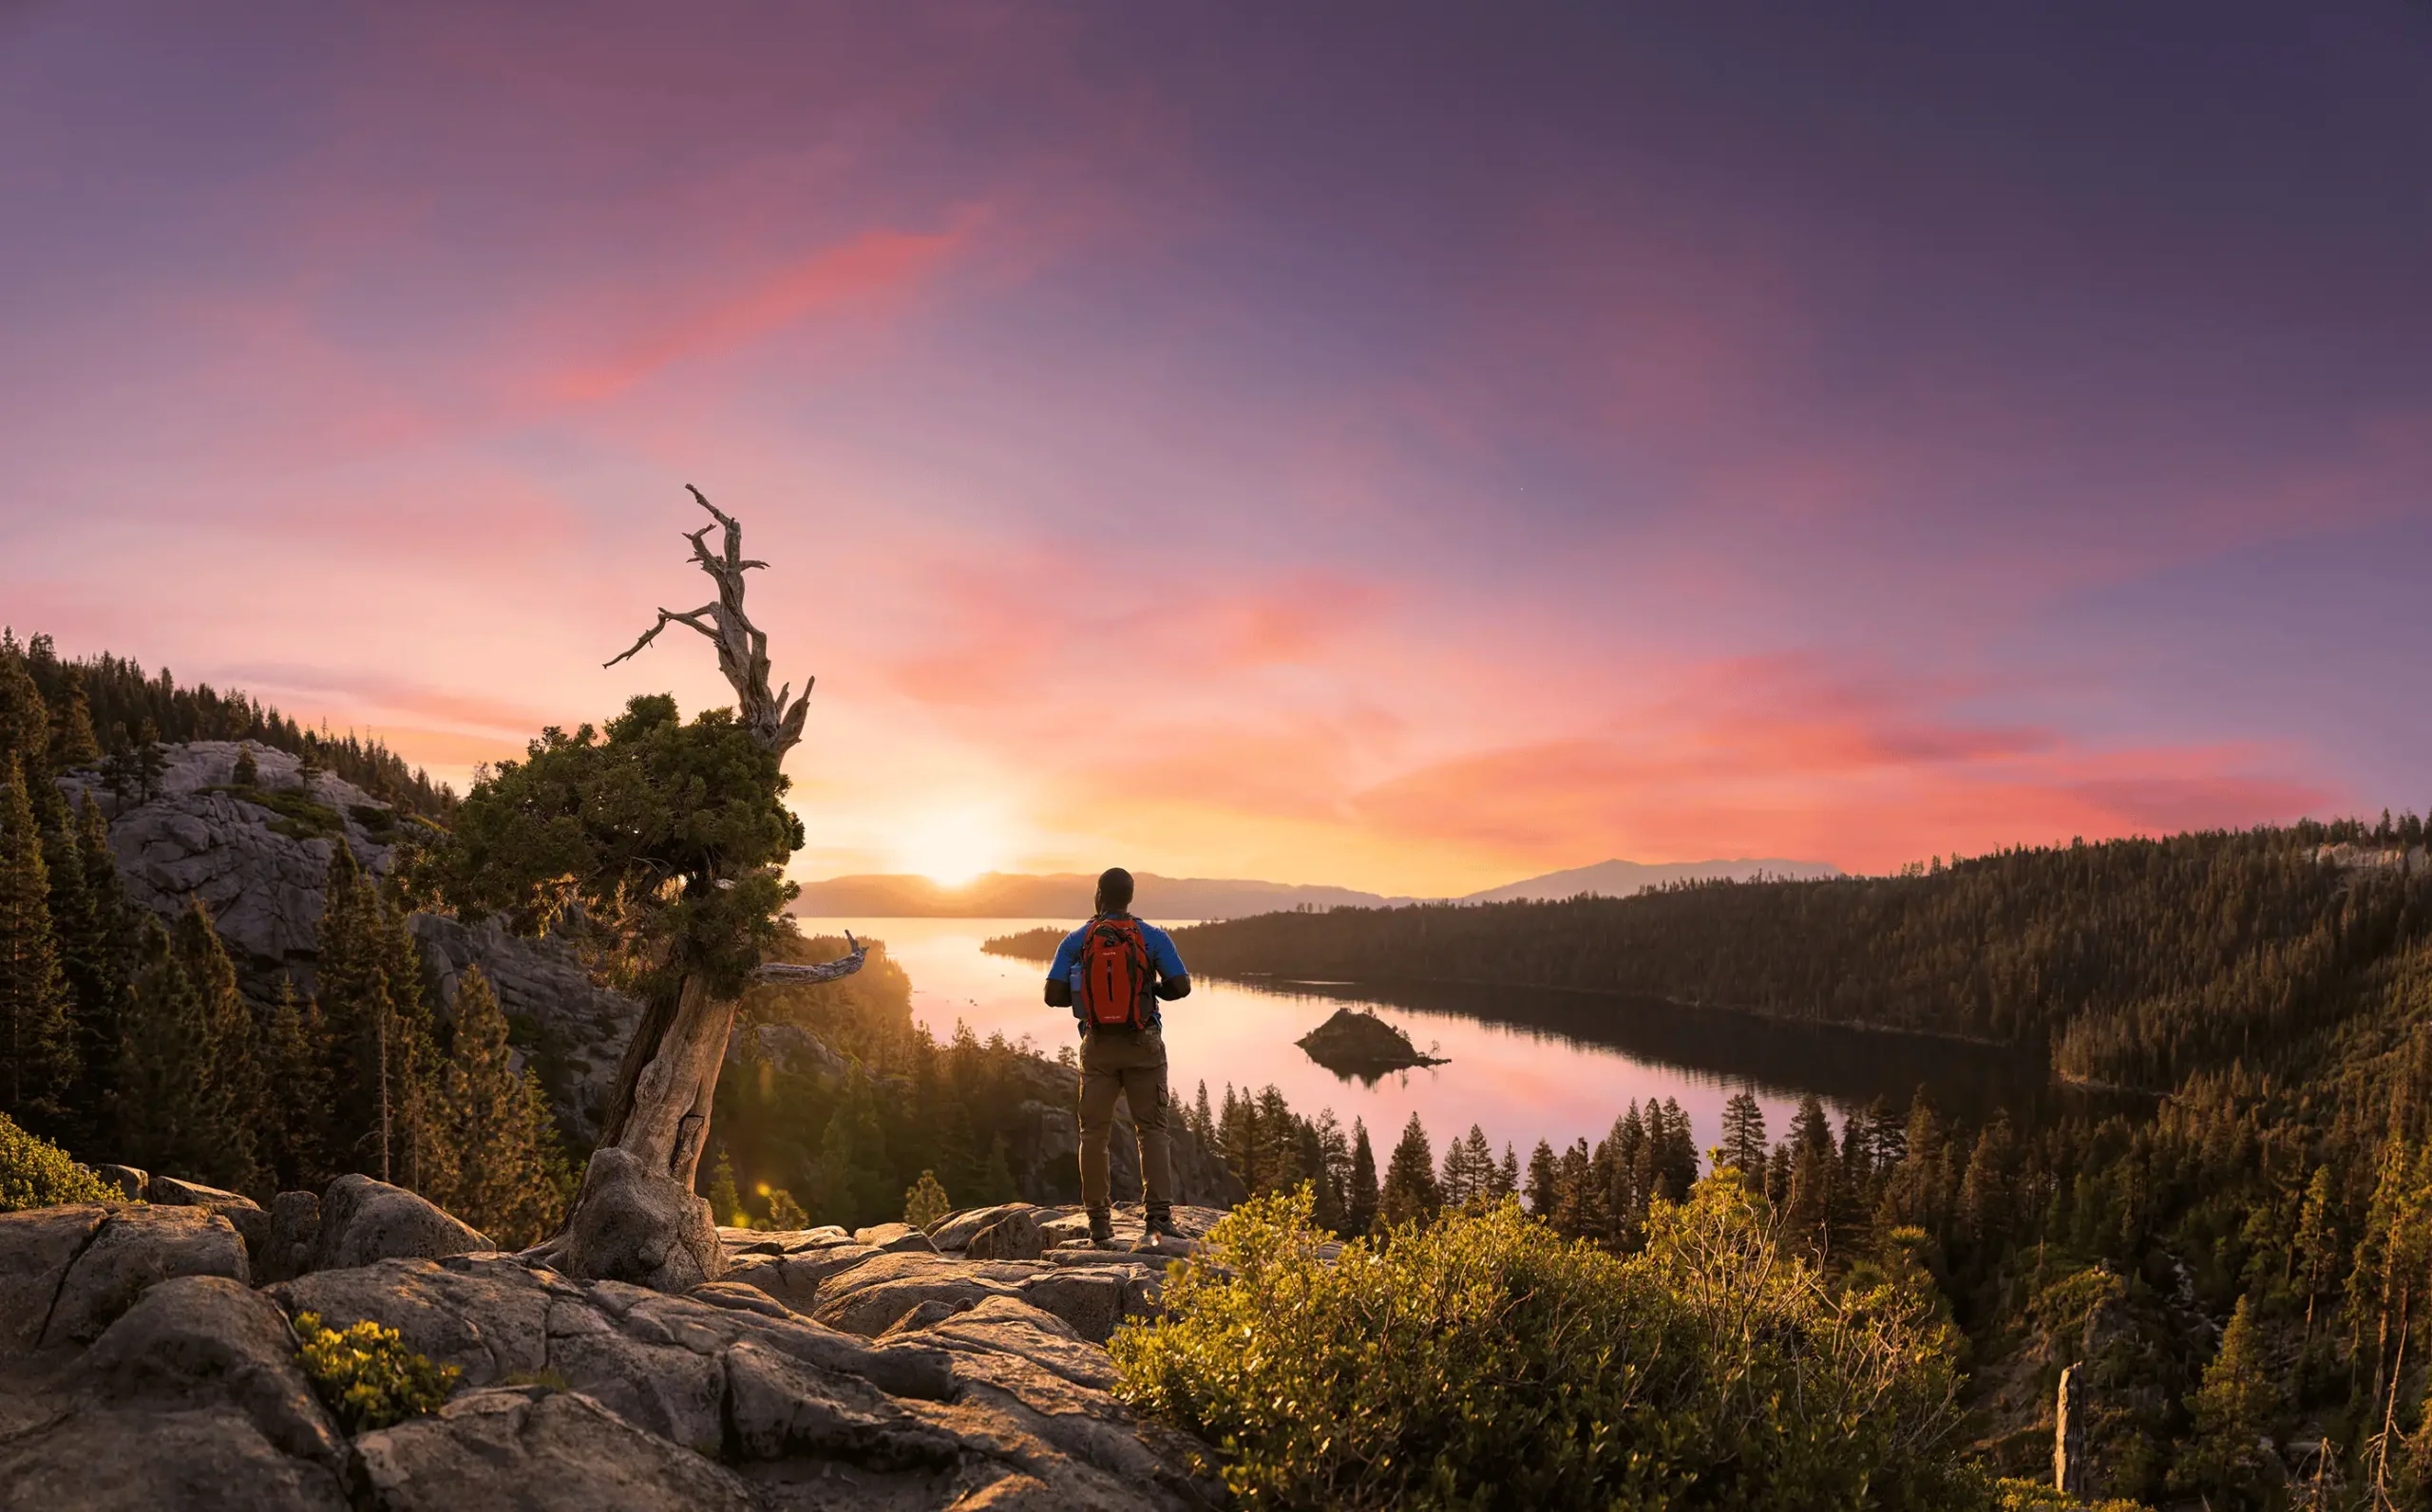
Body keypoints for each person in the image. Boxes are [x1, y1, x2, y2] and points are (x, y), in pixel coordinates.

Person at [1043, 867, 1191, 1249]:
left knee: (1094, 1134)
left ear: (1099, 895)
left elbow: (1052, 995)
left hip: (1098, 1047)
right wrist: (1149, 989)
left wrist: (1087, 995)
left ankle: (1099, 1226)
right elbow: (1182, 986)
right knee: (1153, 1132)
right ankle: (1157, 1222)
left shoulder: (1077, 939)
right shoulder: (1152, 937)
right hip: (1144, 1044)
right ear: (1130, 897)